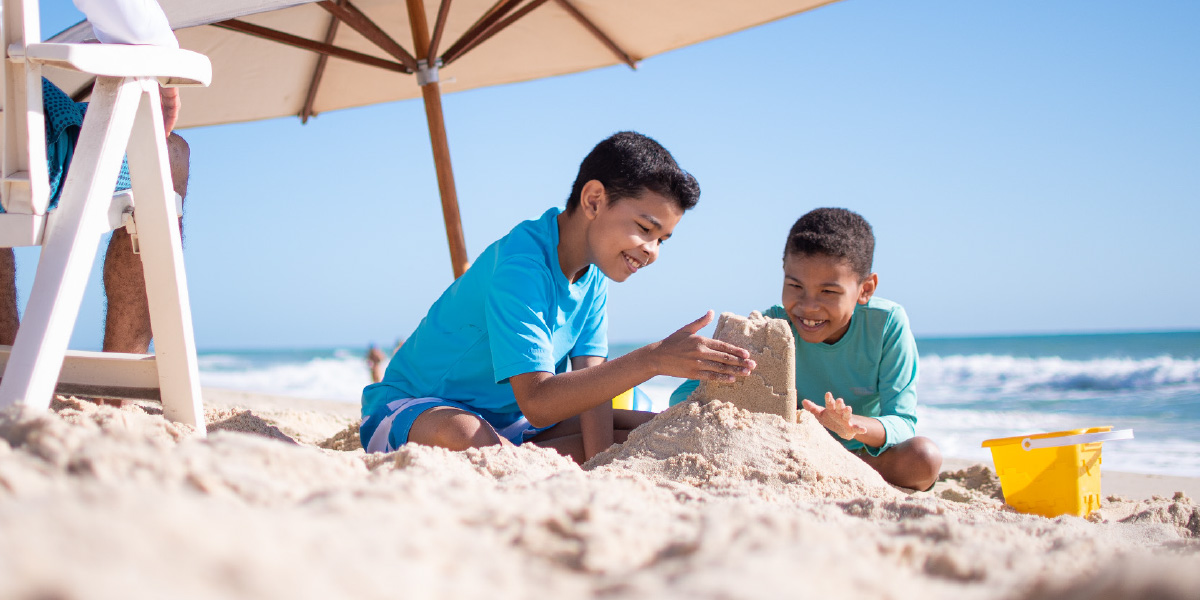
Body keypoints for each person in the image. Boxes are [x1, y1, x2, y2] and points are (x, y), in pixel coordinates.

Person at [361, 131, 757, 464]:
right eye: (644, 228)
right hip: (417, 408)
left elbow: (593, 381)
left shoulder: (594, 273)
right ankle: (516, 458)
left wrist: (602, 459)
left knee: (648, 424)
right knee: (462, 430)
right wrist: (654, 358)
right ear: (594, 200)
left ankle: (519, 455)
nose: (652, 250)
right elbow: (538, 400)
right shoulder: (521, 266)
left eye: (662, 240)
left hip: (509, 420)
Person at [669, 208, 942, 490]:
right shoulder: (769, 327)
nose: (808, 306)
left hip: (860, 455)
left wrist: (850, 426)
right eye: (795, 285)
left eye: (829, 292)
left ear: (865, 289)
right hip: (787, 453)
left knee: (923, 458)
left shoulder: (886, 324)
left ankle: (839, 471)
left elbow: (902, 422)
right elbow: (683, 398)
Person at [0, 0, 191, 360]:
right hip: (18, 160)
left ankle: (5, 371)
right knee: (169, 155)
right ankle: (117, 385)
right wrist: (162, 45)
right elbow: (132, 22)